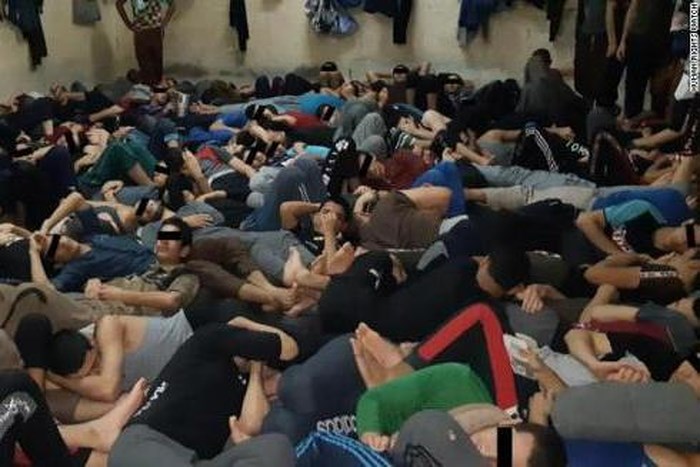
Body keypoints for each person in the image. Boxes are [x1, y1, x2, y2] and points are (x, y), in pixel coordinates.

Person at [116, 0, 176, 86]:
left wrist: (163, 25)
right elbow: (119, 4)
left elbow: (172, 6)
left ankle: (154, 87)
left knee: (157, 71)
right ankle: (149, 86)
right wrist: (128, 24)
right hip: (143, 33)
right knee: (147, 69)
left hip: (154, 32)